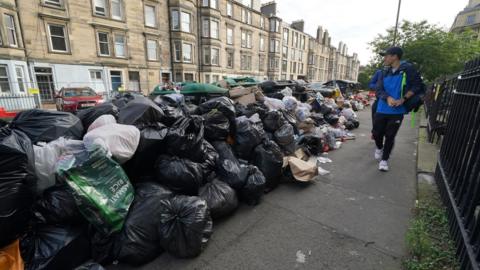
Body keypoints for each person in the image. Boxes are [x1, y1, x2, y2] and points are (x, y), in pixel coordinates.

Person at [373, 47, 422, 172]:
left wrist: (403, 99)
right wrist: (388, 98)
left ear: (394, 56)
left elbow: (417, 86)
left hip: (397, 110)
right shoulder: (384, 71)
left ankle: (384, 160)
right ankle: (379, 147)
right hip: (382, 108)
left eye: (386, 56)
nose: (384, 58)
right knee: (376, 133)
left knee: (390, 135)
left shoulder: (408, 69)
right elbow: (378, 89)